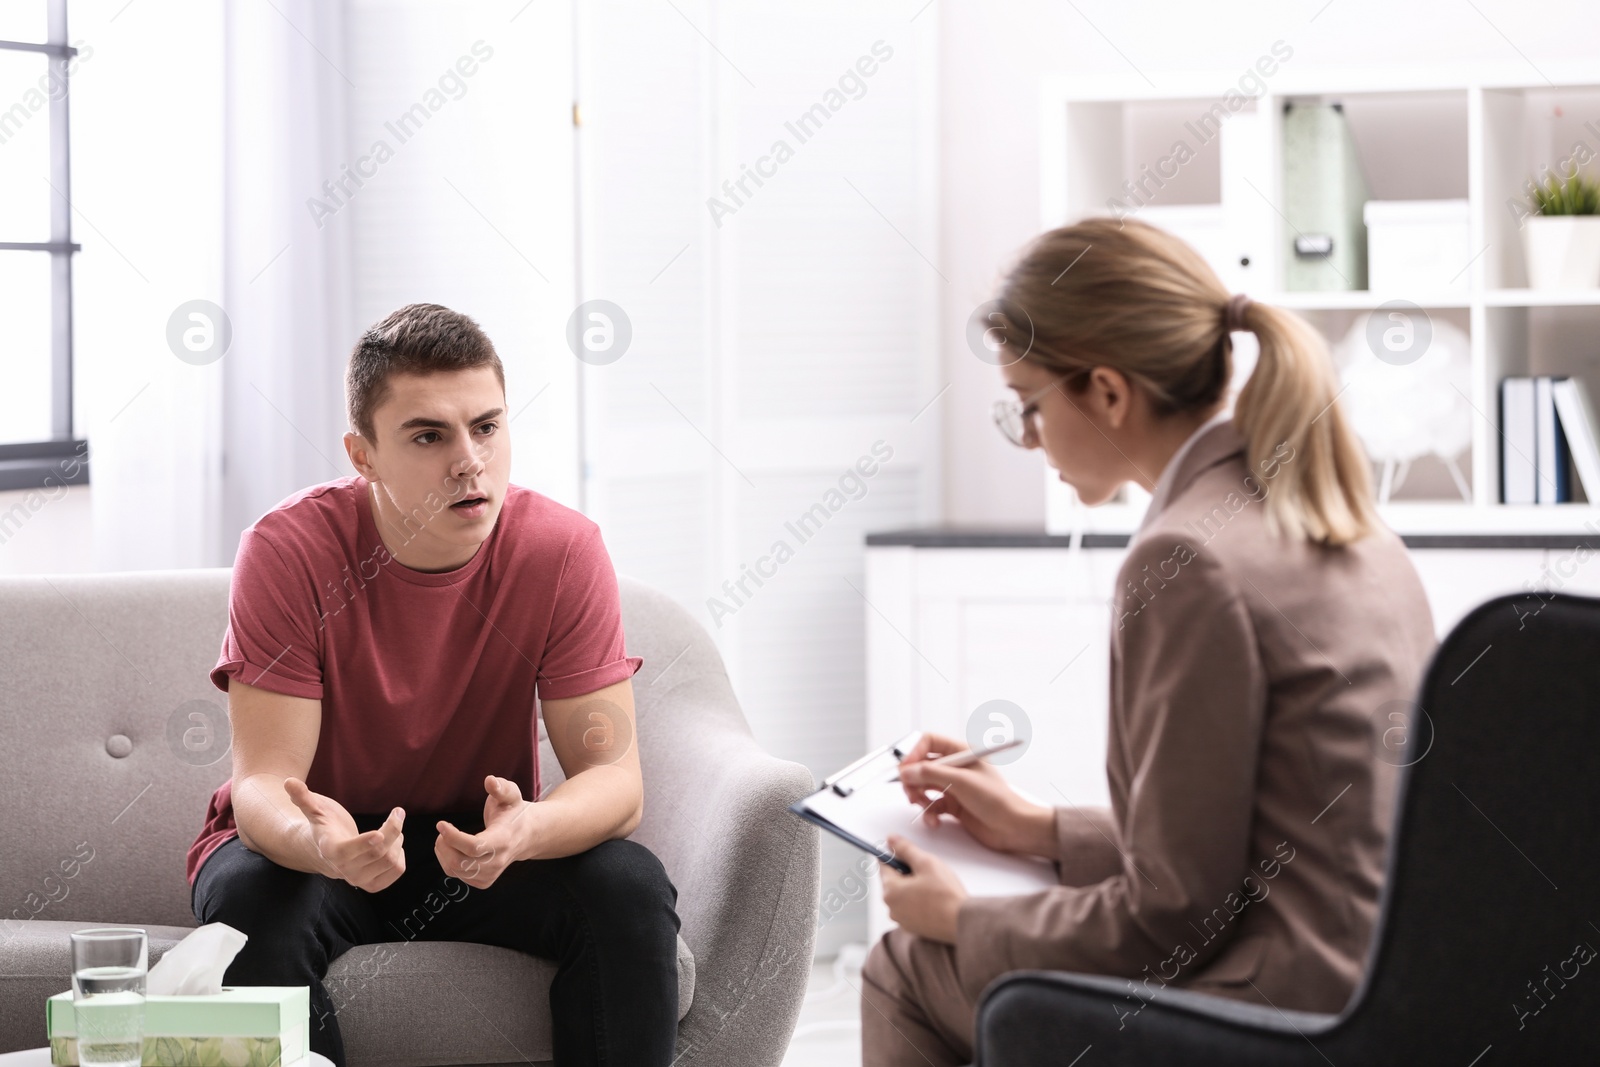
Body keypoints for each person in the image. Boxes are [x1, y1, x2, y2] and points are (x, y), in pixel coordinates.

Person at [859, 217, 1438, 1065]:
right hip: (1380, 980)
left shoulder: (1185, 560)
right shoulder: (1338, 517)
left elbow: (1171, 914)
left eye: (1029, 404)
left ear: (1106, 391)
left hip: (1277, 1007)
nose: (1030, 438)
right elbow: (1254, 845)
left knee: (904, 966)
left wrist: (964, 918)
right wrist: (1040, 828)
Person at [187, 303, 681, 1067]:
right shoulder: (288, 550)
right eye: (429, 435)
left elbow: (615, 780)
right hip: (323, 848)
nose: (469, 460)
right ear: (364, 454)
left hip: (477, 845)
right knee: (253, 898)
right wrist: (321, 846)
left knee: (628, 885)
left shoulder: (563, 550)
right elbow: (262, 785)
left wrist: (527, 832)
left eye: (486, 426)